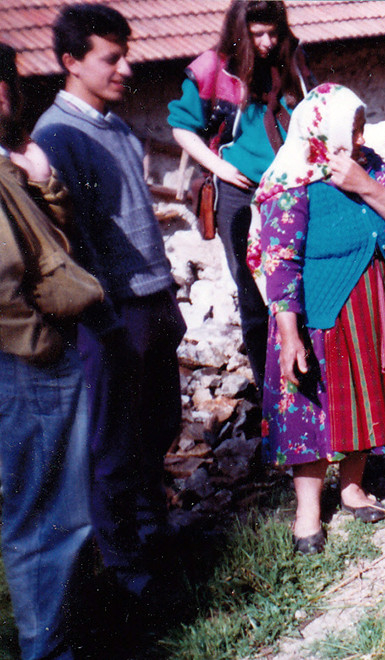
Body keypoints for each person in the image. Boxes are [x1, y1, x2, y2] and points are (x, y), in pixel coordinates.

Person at [32, 4, 186, 604]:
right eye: (111, 57)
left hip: (153, 298)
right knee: (114, 446)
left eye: (127, 54)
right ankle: (125, 569)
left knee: (159, 427)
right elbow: (75, 243)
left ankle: (156, 538)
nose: (127, 68)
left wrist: (166, 294)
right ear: (71, 62)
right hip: (114, 313)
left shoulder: (116, 127)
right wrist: (109, 320)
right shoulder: (57, 136)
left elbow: (136, 223)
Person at [251, 83, 385, 554]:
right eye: (353, 127)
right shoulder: (291, 180)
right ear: (322, 130)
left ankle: (350, 488)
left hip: (370, 299)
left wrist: (364, 185)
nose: (361, 136)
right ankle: (307, 511)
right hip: (319, 310)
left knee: (365, 394)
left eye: (362, 125)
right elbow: (279, 262)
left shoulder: (368, 166)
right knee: (311, 402)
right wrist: (289, 335)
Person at [0, 41, 93, 660]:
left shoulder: (6, 163)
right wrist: (41, 345)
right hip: (23, 364)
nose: (5, 94)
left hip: (29, 357)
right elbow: (5, 276)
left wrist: (45, 184)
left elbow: (47, 241)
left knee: (52, 520)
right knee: (46, 527)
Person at [168, 0, 312, 386]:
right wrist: (220, 168)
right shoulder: (212, 68)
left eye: (272, 32)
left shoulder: (292, 58)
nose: (266, 42)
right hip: (239, 194)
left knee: (297, 278)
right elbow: (182, 127)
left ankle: (309, 376)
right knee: (252, 293)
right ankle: (271, 390)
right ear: (239, 31)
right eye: (256, 34)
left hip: (291, 189)